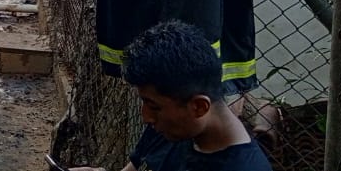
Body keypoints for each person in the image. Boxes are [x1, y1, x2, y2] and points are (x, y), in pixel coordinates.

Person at [70, 20, 273, 171]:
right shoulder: (171, 128)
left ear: (199, 107)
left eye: (154, 106)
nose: (146, 117)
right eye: (144, 102)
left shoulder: (245, 167)